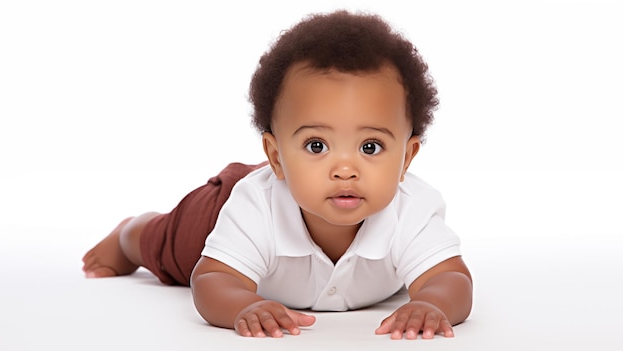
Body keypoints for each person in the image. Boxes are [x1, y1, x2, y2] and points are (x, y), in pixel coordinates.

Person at [82, 10, 473, 340]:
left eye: (370, 147)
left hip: (296, 183)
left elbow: (453, 280)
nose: (345, 170)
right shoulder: (255, 207)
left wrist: (430, 303)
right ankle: (129, 234)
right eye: (316, 145)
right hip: (225, 207)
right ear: (276, 156)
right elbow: (211, 280)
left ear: (407, 158)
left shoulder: (413, 210)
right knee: (168, 244)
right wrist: (243, 303)